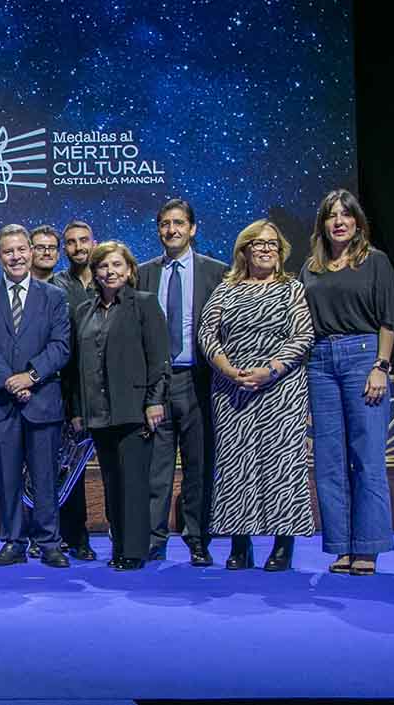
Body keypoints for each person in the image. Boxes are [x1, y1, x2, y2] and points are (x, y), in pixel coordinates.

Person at [199, 220, 315, 571]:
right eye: (258, 244)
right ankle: (240, 544)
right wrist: (229, 370)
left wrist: (271, 369)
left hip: (281, 387)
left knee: (282, 465)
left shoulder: (292, 288)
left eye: (273, 245)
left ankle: (283, 546)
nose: (266, 249)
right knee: (237, 466)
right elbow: (207, 332)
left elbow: (303, 335)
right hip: (232, 388)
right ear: (244, 250)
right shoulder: (226, 289)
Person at [300, 190, 394, 575]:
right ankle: (340, 546)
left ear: (357, 222)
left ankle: (368, 547)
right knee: (329, 461)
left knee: (367, 457)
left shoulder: (376, 262)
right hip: (320, 361)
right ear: (322, 224)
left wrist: (381, 366)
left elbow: (388, 320)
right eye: (331, 215)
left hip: (363, 356)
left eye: (345, 214)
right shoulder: (311, 268)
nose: (338, 221)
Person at [0, 225, 71, 568]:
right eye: (8, 251)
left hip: (42, 401)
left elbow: (61, 346)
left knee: (45, 478)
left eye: (21, 250)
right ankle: (13, 542)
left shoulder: (54, 296)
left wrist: (30, 376)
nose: (15, 256)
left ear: (30, 252)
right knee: (7, 479)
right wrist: (10, 382)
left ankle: (49, 542)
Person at [136, 199, 228, 566]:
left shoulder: (217, 273)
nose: (171, 230)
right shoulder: (143, 274)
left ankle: (198, 539)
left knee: (199, 466)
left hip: (200, 382)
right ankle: (154, 539)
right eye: (164, 224)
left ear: (192, 229)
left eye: (178, 223)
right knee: (156, 469)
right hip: (157, 385)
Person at [71, 241, 170, 571]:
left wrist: (154, 401)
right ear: (94, 272)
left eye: (117, 265)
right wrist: (77, 410)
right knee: (112, 482)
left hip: (135, 410)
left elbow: (158, 360)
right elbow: (76, 366)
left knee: (134, 483)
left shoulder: (144, 304)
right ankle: (118, 547)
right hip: (98, 412)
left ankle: (135, 550)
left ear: (129, 270)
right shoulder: (84, 311)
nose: (110, 271)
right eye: (103, 266)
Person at [49, 220, 98, 561]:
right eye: (71, 243)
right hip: (70, 391)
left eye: (83, 240)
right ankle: (76, 537)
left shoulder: (113, 277)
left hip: (111, 389)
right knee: (72, 468)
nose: (78, 247)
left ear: (93, 242)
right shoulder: (56, 286)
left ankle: (125, 536)